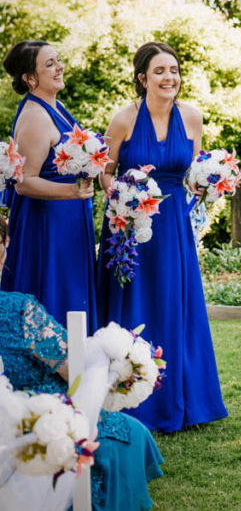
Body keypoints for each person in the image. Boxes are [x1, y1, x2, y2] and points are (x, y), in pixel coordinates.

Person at [96, 42, 227, 433]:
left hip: (172, 227)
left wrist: (205, 184)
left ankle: (178, 399)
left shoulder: (192, 117)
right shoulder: (123, 120)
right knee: (136, 302)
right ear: (142, 78)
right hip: (130, 224)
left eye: (174, 70)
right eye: (159, 71)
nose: (169, 77)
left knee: (173, 303)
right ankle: (130, 398)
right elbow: (103, 172)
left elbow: (191, 173)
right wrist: (123, 194)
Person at [0, 217, 164, 510]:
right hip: (40, 422)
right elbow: (74, 367)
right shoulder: (18, 311)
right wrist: (122, 359)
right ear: (5, 247)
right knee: (131, 433)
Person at [0, 41, 97, 328]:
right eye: (50, 64)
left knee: (72, 295)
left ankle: (77, 353)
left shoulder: (56, 106)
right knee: (53, 295)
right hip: (47, 225)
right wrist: (72, 190)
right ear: (30, 78)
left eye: (58, 60)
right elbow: (24, 182)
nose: (59, 67)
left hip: (68, 219)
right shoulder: (35, 117)